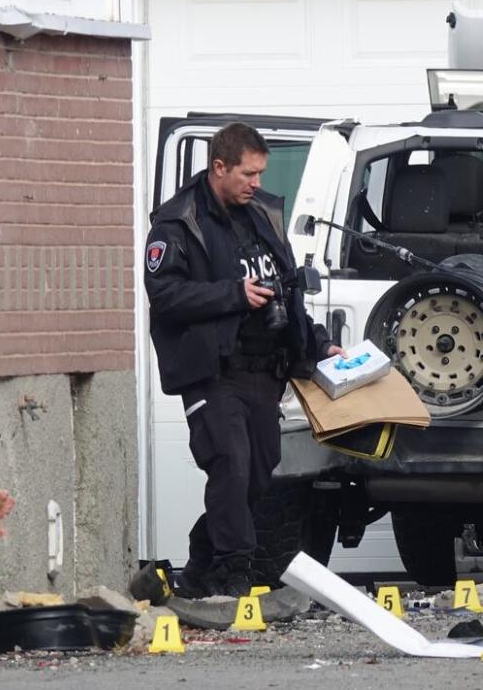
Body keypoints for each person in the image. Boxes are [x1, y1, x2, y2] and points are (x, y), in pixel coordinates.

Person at [144, 122, 343, 598]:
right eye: (248, 173)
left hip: (263, 371)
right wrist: (233, 294)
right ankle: (235, 572)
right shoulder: (179, 222)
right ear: (219, 167)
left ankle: (200, 559)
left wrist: (315, 345)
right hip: (213, 372)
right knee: (230, 464)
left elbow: (287, 288)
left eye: (260, 173)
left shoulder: (263, 215)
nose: (257, 183)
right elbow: (165, 293)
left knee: (259, 470)